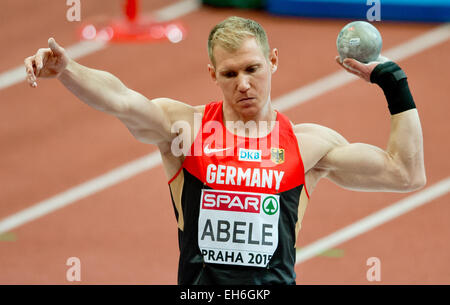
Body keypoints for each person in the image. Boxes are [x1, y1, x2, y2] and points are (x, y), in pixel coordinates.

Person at [24, 16, 425, 285]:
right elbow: (122, 100)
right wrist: (68, 71)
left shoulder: (308, 144)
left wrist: (395, 83)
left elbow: (405, 174)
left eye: (252, 69)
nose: (243, 84)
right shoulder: (184, 128)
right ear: (213, 75)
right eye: (230, 74)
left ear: (273, 62)